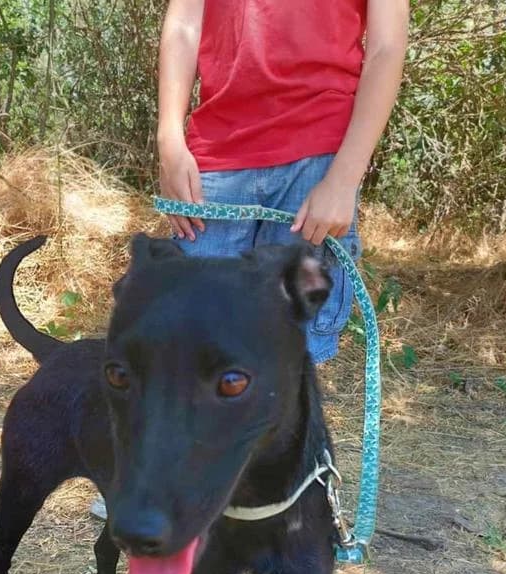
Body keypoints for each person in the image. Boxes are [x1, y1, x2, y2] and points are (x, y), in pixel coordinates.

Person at [91, 0, 408, 521]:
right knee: (181, 346)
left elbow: (387, 47)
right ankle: (154, 486)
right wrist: (170, 138)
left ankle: (280, 508)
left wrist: (345, 178)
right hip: (215, 156)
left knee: (295, 350)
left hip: (321, 154)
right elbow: (185, 23)